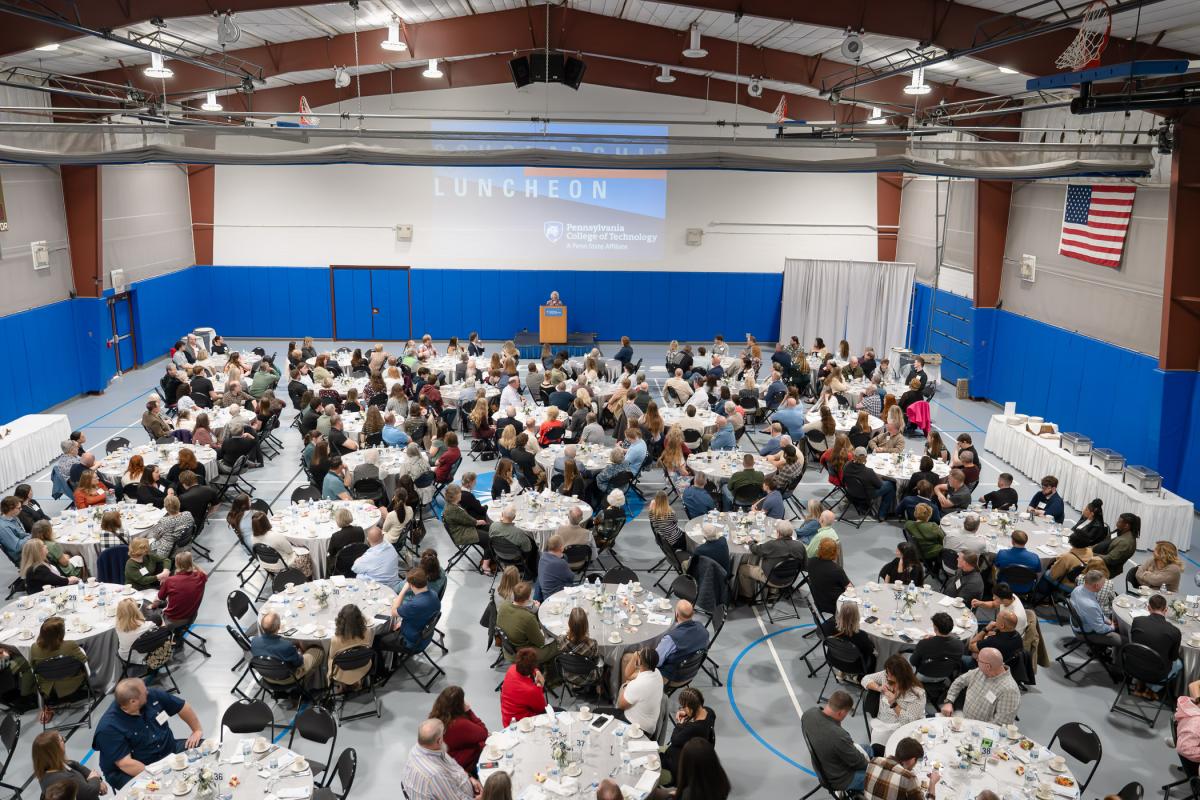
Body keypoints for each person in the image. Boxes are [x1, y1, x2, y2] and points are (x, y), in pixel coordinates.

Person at [92, 677, 203, 790]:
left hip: (167, 749)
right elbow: (125, 764)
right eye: (144, 692)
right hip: (130, 769)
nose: (148, 691)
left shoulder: (151, 695)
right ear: (133, 701)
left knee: (205, 749)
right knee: (156, 792)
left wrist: (197, 730)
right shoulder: (109, 727)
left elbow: (182, 707)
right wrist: (158, 777)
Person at [801, 691, 869, 793]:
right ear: (840, 713)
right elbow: (859, 763)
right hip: (840, 779)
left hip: (822, 767)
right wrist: (873, 767)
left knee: (868, 749)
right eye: (846, 713)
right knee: (879, 780)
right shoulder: (839, 735)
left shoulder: (808, 714)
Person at [400, 718, 480, 800]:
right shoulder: (435, 775)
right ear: (439, 741)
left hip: (463, 784)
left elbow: (453, 765)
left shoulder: (418, 749)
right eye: (443, 733)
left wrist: (470, 778)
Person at [861, 656, 927, 754]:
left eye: (890, 673)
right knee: (878, 750)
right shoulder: (885, 676)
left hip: (903, 727)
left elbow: (909, 721)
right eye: (887, 671)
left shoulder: (917, 693)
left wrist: (893, 703)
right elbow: (865, 679)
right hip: (882, 723)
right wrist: (879, 688)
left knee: (901, 753)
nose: (887, 675)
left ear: (900, 675)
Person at [940, 647, 1020, 724]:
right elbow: (959, 682)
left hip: (982, 731)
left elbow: (1000, 724)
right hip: (965, 719)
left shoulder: (1009, 690)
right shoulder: (980, 671)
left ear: (988, 666)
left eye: (978, 660)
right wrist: (949, 701)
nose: (977, 660)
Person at [737, 519, 808, 599]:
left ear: (778, 533)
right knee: (777, 563)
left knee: (742, 569)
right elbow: (804, 566)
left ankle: (748, 595)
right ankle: (773, 591)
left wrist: (750, 541)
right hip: (790, 579)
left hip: (772, 579)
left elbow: (755, 550)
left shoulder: (773, 545)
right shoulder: (800, 546)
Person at [597, 646, 662, 733]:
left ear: (639, 662)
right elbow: (628, 675)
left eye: (639, 653)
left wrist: (626, 687)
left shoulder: (637, 685)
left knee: (596, 712)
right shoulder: (657, 673)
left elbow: (621, 705)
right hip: (649, 725)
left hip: (636, 726)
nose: (637, 652)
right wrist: (635, 657)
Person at [1131, 594, 1183, 698]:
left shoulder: (1137, 621)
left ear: (1148, 608)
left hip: (1132, 666)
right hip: (1156, 674)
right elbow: (1173, 657)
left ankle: (1140, 685)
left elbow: (1134, 643)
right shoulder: (1174, 631)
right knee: (1179, 663)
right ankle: (1151, 689)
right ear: (1166, 610)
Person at [431, 685, 489, 777]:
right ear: (458, 705)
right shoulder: (459, 724)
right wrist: (469, 711)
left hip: (449, 762)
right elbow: (484, 733)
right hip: (466, 765)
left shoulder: (436, 717)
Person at [661, 688, 716, 784]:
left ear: (691, 707)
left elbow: (674, 740)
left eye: (684, 707)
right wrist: (687, 713)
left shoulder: (695, 728)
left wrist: (679, 724)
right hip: (696, 753)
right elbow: (698, 713)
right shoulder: (709, 712)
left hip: (681, 761)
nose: (682, 709)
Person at [33, 730, 107, 800]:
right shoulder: (66, 780)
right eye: (62, 740)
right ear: (54, 750)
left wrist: (94, 778)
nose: (64, 740)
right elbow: (91, 792)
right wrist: (95, 778)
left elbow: (74, 764)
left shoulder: (47, 770)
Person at [251, 610, 324, 681]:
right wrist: (299, 653)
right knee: (318, 651)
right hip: (287, 679)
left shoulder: (254, 641)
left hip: (267, 677)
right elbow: (299, 662)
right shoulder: (286, 646)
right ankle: (305, 681)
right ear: (279, 627)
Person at [864, 737, 939, 800]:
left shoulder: (873, 761)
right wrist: (932, 783)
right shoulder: (908, 778)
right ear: (912, 760)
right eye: (916, 761)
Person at [153, 551, 207, 637]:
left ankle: (167, 636)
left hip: (173, 620)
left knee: (150, 612)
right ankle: (178, 634)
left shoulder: (170, 581)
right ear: (191, 563)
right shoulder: (200, 577)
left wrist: (151, 607)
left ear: (177, 564)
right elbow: (204, 572)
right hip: (191, 616)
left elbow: (157, 601)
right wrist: (190, 563)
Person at [654, 601, 709, 681]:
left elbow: (656, 662)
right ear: (692, 613)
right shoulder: (704, 631)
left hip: (671, 677)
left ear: (676, 614)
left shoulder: (671, 639)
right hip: (691, 672)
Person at [1068, 570, 1123, 648]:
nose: (1103, 585)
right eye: (1103, 584)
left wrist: (1107, 620)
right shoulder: (1090, 605)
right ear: (1096, 585)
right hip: (1087, 633)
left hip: (1078, 625)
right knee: (1126, 641)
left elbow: (1096, 614)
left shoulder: (1078, 589)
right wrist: (1113, 627)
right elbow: (1100, 629)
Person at [251, 511, 312, 577]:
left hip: (265, 565)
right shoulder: (276, 536)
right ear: (266, 522)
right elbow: (289, 550)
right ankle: (303, 578)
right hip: (281, 566)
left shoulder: (252, 538)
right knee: (306, 555)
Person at [499, 647, 546, 726]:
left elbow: (531, 669)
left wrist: (537, 671)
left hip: (507, 720)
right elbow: (541, 708)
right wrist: (540, 686)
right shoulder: (531, 690)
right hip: (520, 725)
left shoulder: (512, 669)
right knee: (560, 711)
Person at [489, 505, 537, 577]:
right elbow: (527, 549)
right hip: (514, 557)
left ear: (502, 514)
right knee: (534, 545)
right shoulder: (518, 533)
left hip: (498, 554)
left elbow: (491, 538)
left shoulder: (493, 526)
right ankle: (531, 572)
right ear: (514, 517)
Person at [145, 495, 193, 561]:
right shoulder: (188, 514)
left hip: (167, 551)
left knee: (143, 544)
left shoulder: (164, 521)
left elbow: (155, 536)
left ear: (166, 507)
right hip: (184, 544)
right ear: (179, 504)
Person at [115, 598, 158, 664]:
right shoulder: (148, 625)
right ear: (136, 610)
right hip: (145, 656)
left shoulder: (118, 627)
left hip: (125, 656)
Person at [534, 534, 574, 602]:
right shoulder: (561, 563)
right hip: (554, 596)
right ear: (561, 548)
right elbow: (571, 578)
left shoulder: (542, 557)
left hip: (544, 593)